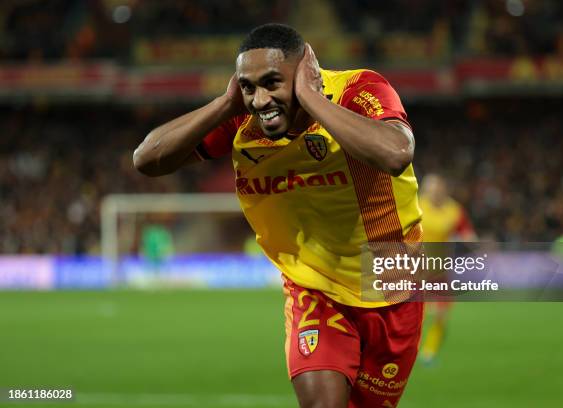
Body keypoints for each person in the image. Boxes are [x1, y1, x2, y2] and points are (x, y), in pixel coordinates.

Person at [134, 23, 422, 408]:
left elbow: (396, 153)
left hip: (390, 282)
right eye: (249, 86)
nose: (261, 99)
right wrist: (225, 104)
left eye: (273, 83)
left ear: (304, 71)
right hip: (313, 287)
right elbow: (147, 160)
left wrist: (310, 96)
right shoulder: (242, 117)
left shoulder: (359, 89)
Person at [418, 173, 476, 364]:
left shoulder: (453, 210)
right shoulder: (416, 206)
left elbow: (467, 232)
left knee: (442, 314)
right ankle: (408, 350)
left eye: (437, 189)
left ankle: (429, 353)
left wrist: (473, 241)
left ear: (443, 190)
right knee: (416, 315)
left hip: (440, 270)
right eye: (431, 189)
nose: (434, 193)